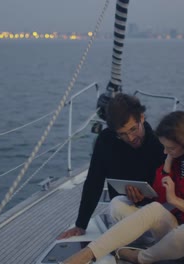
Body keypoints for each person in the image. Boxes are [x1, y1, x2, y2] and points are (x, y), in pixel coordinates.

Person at [62, 111, 184, 264]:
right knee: (124, 204)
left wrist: (176, 201)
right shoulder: (177, 159)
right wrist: (166, 168)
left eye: (170, 148)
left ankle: (140, 257)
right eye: (164, 146)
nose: (165, 151)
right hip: (178, 230)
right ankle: (88, 253)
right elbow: (160, 199)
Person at [57, 93, 166, 239]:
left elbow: (172, 191)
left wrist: (146, 198)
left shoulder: (160, 143)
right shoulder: (106, 139)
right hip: (123, 212)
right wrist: (81, 224)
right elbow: (94, 181)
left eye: (133, 129)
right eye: (122, 134)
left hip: (155, 212)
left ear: (141, 117)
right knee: (116, 204)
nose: (131, 138)